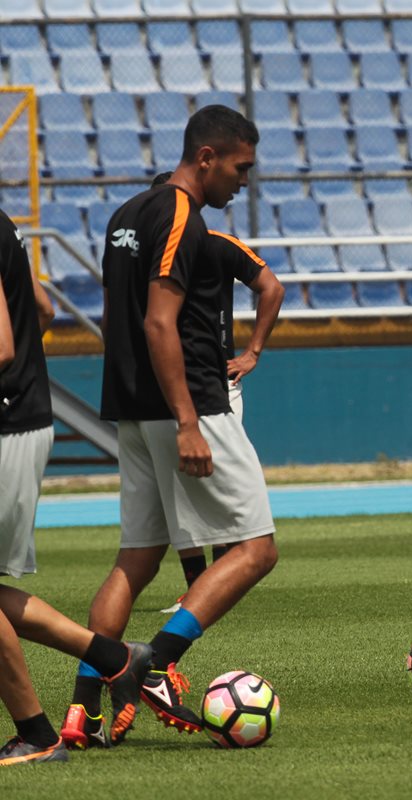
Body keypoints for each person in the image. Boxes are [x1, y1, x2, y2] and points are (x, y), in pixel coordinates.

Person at [61, 106, 278, 748]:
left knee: (136, 557)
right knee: (256, 548)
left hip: (129, 406)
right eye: (241, 167)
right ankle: (148, 664)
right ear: (206, 157)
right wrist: (188, 421)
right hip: (189, 405)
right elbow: (160, 323)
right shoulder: (182, 216)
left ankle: (82, 706)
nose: (244, 181)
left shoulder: (127, 213)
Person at [0, 205, 151, 762]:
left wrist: (12, 382)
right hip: (23, 417)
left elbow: (1, 345)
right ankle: (114, 658)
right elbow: (39, 308)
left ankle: (38, 737)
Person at [145, 172, 285, 615]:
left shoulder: (216, 243)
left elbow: (272, 287)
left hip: (214, 385)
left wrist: (252, 353)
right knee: (177, 487)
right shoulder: (149, 255)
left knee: (215, 484)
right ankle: (198, 589)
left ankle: (222, 582)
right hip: (164, 389)